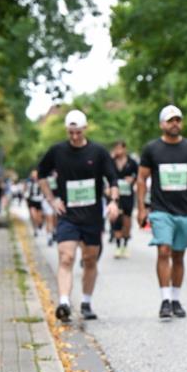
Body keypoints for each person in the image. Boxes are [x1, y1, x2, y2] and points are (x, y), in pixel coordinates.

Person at [37, 109, 120, 322]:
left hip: (92, 217)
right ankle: (64, 302)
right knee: (66, 257)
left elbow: (112, 180)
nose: (74, 137)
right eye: (70, 132)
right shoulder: (57, 151)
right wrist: (52, 199)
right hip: (68, 215)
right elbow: (41, 174)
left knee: (90, 259)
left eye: (78, 132)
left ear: (85, 129)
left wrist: (113, 202)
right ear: (67, 130)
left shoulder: (98, 153)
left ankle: (86, 302)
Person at [136, 105, 187, 319]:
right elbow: (141, 178)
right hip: (161, 210)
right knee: (163, 251)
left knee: (178, 256)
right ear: (162, 124)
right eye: (170, 120)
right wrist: (141, 208)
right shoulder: (152, 149)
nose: (174, 123)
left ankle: (176, 299)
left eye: (178, 120)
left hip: (184, 211)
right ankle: (165, 299)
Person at [109, 141, 138, 258]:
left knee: (126, 220)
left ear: (125, 149)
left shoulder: (132, 162)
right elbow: (105, 175)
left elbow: (140, 175)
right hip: (115, 196)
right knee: (116, 219)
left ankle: (125, 245)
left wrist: (133, 179)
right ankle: (117, 246)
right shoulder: (111, 162)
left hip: (127, 195)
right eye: (116, 148)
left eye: (120, 148)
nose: (118, 151)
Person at [26, 169, 44, 236]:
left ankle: (40, 224)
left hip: (39, 201)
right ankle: (35, 229)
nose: (34, 176)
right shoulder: (29, 182)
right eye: (33, 175)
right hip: (32, 201)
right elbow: (26, 191)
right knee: (33, 216)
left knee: (39, 217)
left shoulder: (41, 182)